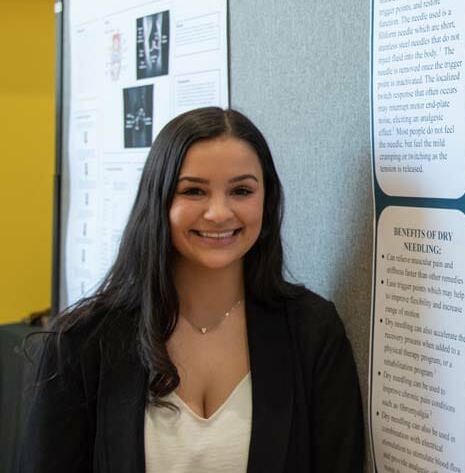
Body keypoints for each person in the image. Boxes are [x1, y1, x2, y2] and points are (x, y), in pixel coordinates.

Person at [19, 107, 364, 472]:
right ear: (159, 200)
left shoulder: (312, 331)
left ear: (267, 200)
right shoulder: (81, 341)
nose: (219, 212)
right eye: (194, 191)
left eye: (241, 191)